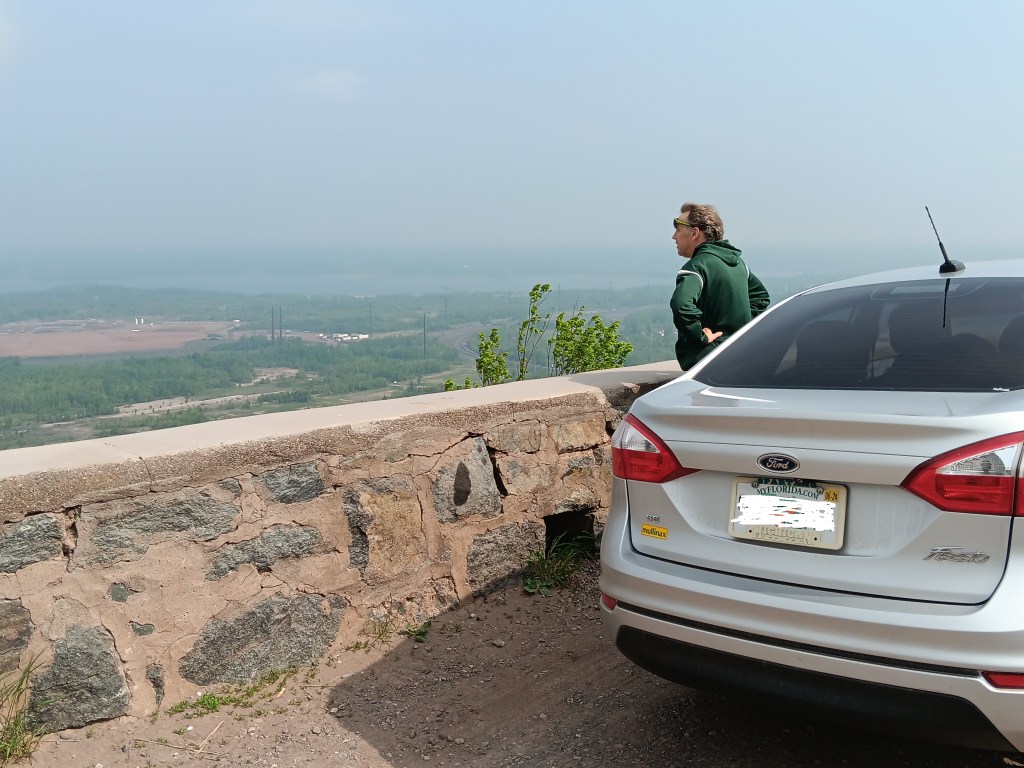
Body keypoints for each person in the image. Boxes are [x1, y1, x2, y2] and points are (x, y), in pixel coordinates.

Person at [670, 202, 770, 369]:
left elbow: (681, 305)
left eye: (678, 229)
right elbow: (761, 298)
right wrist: (738, 331)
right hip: (738, 355)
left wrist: (700, 337)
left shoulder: (696, 267)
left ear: (695, 233)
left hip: (707, 362)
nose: (674, 236)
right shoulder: (738, 264)